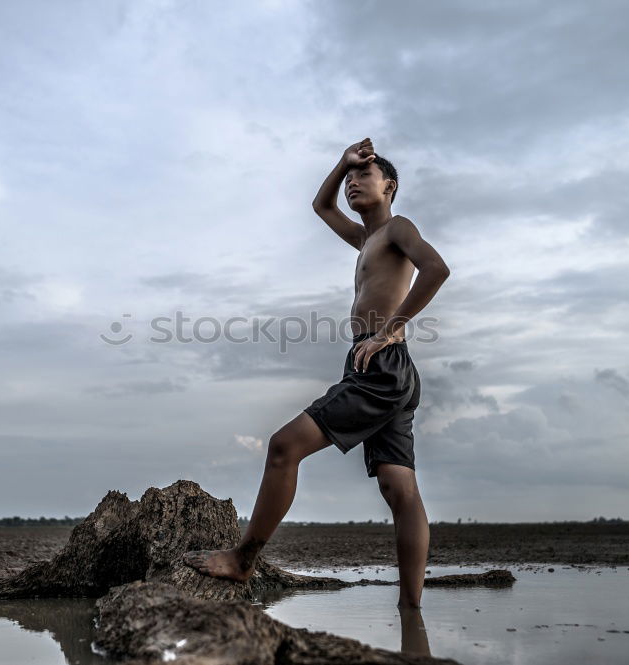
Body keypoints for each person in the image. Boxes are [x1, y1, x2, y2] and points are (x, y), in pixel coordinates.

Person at [183, 138, 451, 608]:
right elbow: (319, 204)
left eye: (364, 176)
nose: (352, 183)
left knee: (284, 446)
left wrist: (388, 331)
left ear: (389, 186)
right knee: (398, 486)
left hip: (381, 365)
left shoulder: (398, 228)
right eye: (350, 178)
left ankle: (243, 560)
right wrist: (343, 161)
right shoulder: (364, 239)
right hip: (387, 370)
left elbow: (436, 269)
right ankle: (412, 610)